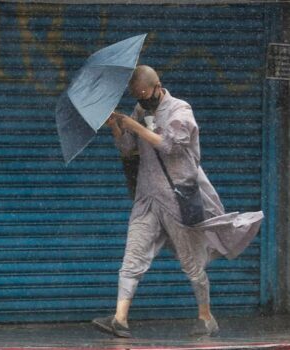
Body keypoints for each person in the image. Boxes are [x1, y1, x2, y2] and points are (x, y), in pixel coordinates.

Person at [92, 65, 263, 338]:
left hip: (177, 199)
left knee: (191, 262)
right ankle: (120, 319)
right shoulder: (140, 110)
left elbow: (169, 146)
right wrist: (116, 126)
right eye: (136, 96)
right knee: (133, 256)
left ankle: (206, 316)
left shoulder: (181, 110)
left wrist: (133, 124)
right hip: (147, 198)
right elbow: (128, 149)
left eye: (144, 94)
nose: (141, 100)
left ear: (157, 86)